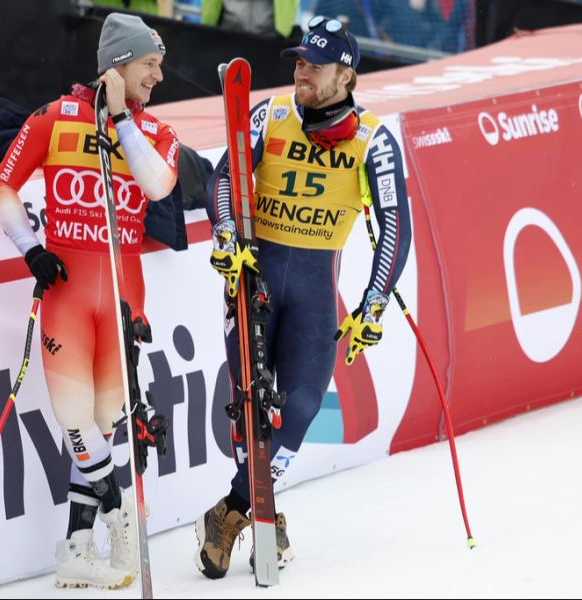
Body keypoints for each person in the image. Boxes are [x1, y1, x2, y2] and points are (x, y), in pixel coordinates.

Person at [195, 15, 410, 579]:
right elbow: (223, 178)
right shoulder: (273, 113)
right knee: (250, 402)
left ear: (347, 74)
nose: (301, 72)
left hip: (316, 289)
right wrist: (226, 236)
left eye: (314, 65)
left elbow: (394, 228)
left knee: (305, 404)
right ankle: (258, 505)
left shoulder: (373, 138)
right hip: (255, 277)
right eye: (297, 61)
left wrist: (374, 305)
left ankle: (236, 508)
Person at [0, 12, 179, 589]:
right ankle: (120, 515)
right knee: (76, 423)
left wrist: (121, 116)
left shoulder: (157, 133)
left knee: (101, 423)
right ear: (117, 63)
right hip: (69, 296)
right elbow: (1, 186)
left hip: (123, 299)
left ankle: (74, 549)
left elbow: (156, 186)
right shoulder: (53, 117)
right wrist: (30, 249)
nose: (160, 76)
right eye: (150, 64)